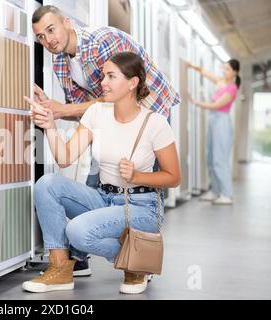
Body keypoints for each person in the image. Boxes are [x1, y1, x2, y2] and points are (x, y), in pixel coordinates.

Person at [31, 4, 180, 276]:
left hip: (151, 104)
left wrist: (62, 109)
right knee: (99, 176)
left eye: (50, 30)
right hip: (110, 113)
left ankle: (139, 256)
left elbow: (118, 90)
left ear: (66, 23)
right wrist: (51, 121)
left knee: (140, 185)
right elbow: (88, 111)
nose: (48, 39)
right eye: (40, 36)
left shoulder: (102, 43)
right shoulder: (61, 64)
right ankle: (67, 263)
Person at [188, 59, 240, 205]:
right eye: (224, 69)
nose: (225, 72)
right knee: (210, 158)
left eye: (228, 69)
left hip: (222, 122)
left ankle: (227, 194)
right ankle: (215, 191)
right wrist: (193, 66)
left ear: (235, 72)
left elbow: (216, 105)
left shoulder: (232, 88)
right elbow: (207, 74)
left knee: (220, 159)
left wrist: (195, 102)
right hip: (213, 121)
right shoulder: (221, 81)